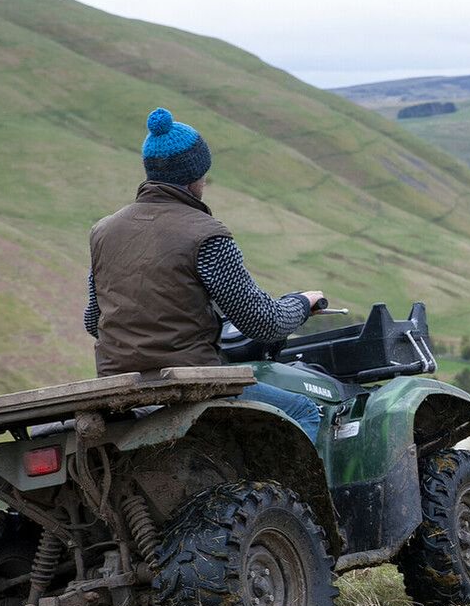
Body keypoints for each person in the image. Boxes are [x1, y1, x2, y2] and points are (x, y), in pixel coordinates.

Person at [83, 107, 323, 442]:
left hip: (118, 387)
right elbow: (262, 323)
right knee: (302, 410)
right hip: (192, 382)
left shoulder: (103, 232)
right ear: (195, 175)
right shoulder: (206, 234)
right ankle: (291, 496)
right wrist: (301, 302)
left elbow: (93, 321)